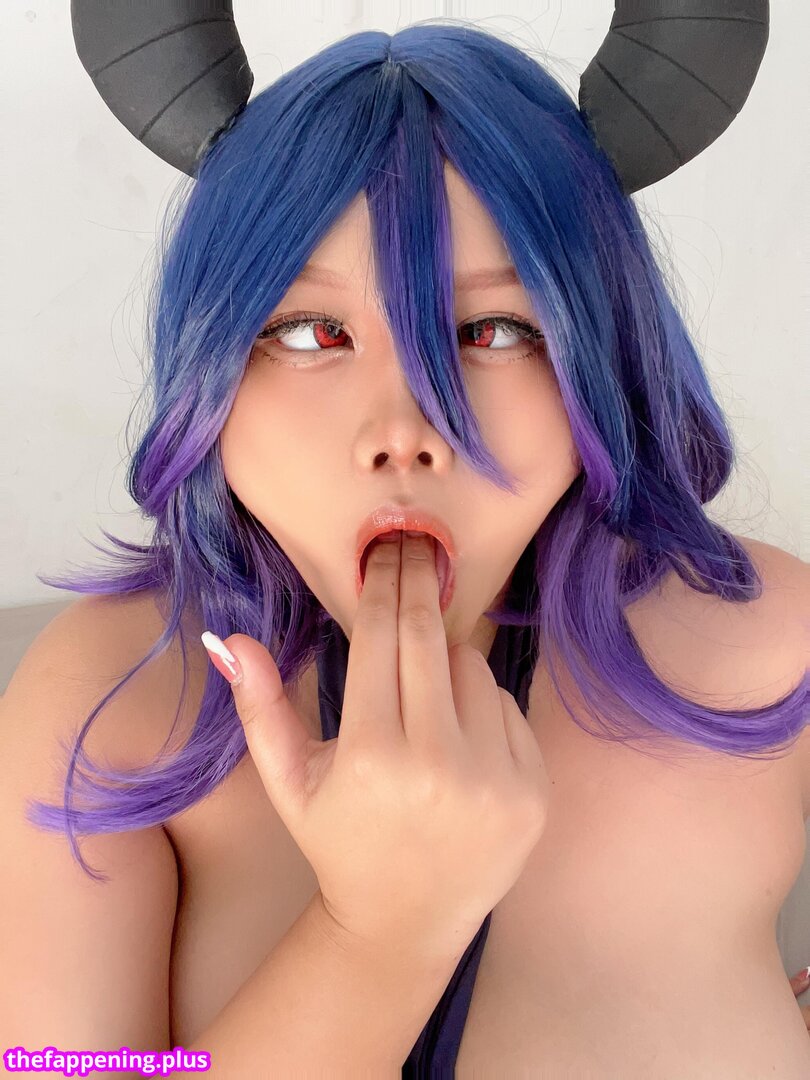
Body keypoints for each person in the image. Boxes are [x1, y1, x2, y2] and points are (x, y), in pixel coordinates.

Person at [2, 11, 808, 1076]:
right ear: (210, 368)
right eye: (308, 332)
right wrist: (378, 936)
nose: (403, 431)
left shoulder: (779, 649)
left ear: (603, 356)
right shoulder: (105, 706)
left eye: (493, 330)